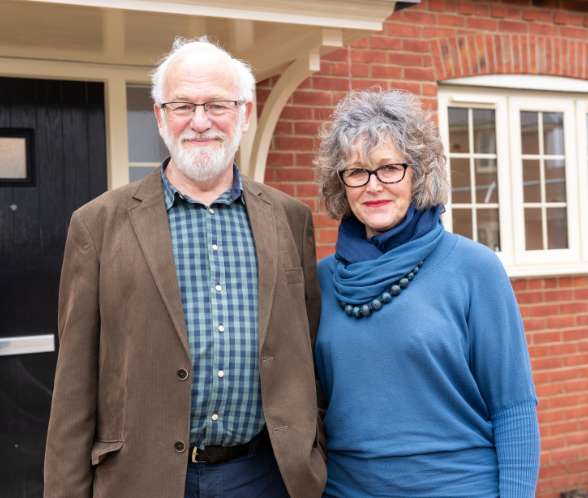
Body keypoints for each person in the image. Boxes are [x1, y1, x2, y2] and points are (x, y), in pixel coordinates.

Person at [44, 37, 326, 498]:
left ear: (245, 113)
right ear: (160, 116)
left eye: (216, 104)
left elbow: (310, 353)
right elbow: (74, 384)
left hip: (265, 477)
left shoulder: (290, 219)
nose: (200, 121)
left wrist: (315, 454)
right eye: (182, 106)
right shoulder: (97, 224)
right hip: (141, 480)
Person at [314, 90, 540, 498]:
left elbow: (513, 408)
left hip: (458, 487)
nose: (373, 186)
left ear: (418, 174)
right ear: (340, 183)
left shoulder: (474, 268)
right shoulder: (322, 281)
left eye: (390, 168)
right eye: (357, 171)